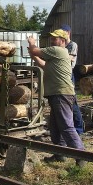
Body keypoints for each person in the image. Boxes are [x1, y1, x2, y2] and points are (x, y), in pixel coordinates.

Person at [27, 29, 85, 167]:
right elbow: (43, 65)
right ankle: (60, 154)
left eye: (55, 38)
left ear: (63, 41)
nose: (52, 40)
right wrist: (32, 51)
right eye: (52, 38)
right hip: (57, 94)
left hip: (61, 94)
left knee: (65, 126)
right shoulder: (56, 55)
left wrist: (32, 44)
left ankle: (82, 156)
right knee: (55, 127)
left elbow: (36, 51)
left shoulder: (58, 50)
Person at [61, 24, 85, 135]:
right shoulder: (61, 45)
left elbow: (69, 59)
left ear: (68, 33)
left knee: (72, 102)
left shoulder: (72, 45)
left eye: (63, 32)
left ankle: (79, 129)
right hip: (60, 75)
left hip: (69, 75)